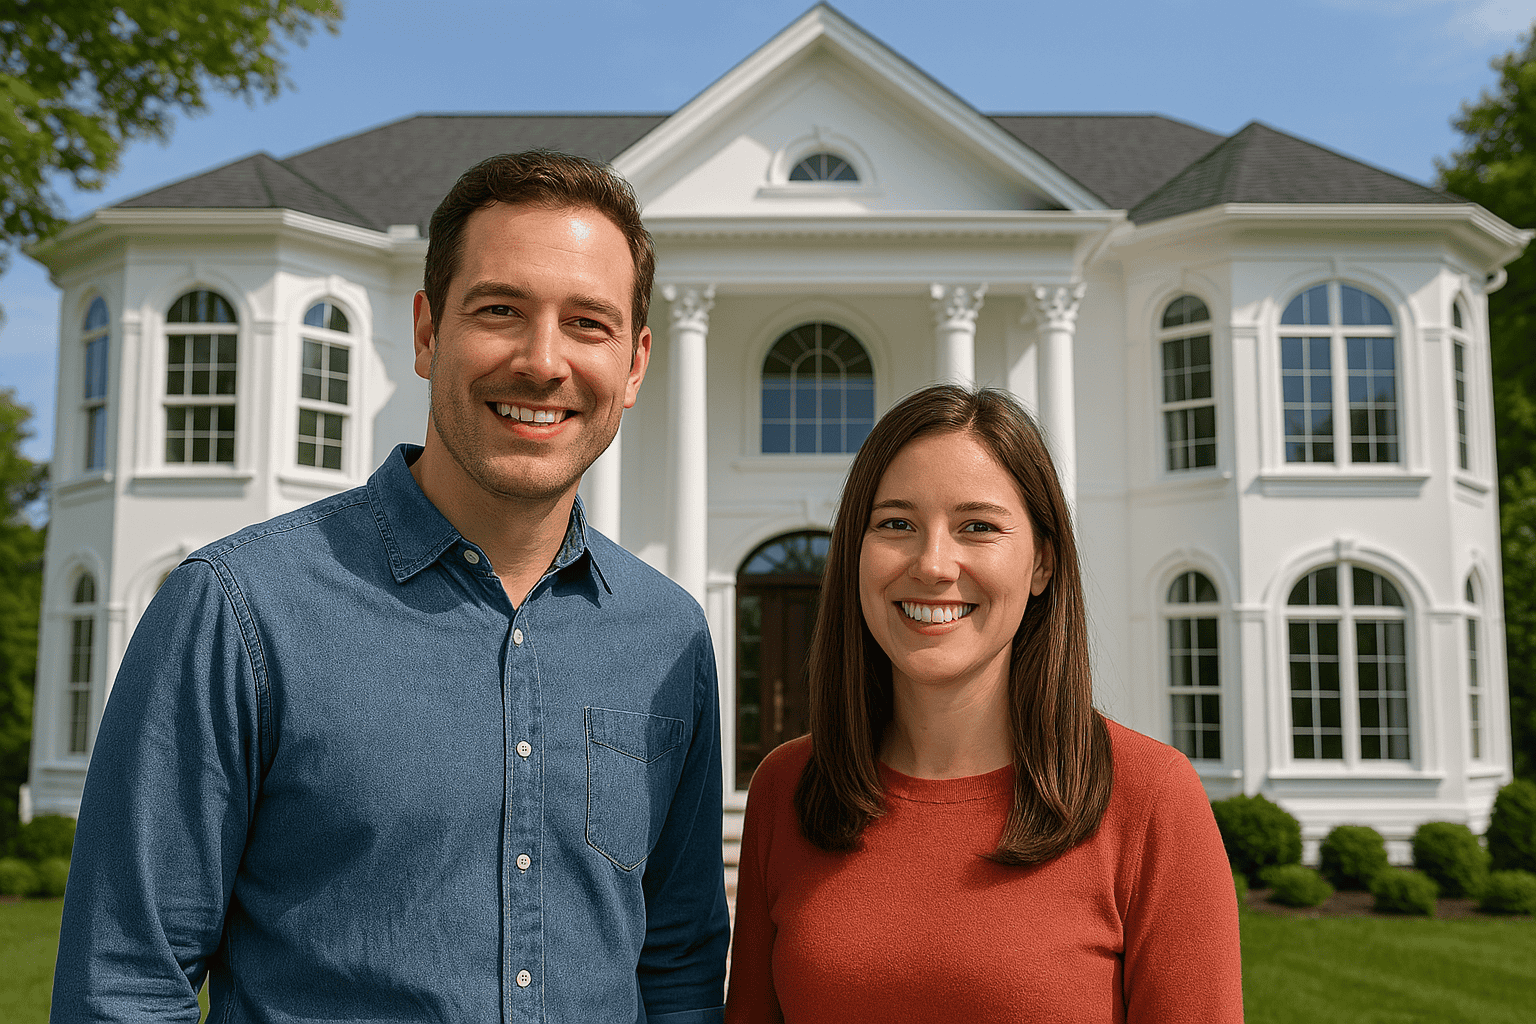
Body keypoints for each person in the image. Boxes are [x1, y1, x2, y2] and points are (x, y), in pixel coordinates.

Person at [52, 151, 730, 1023]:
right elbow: (124, 982)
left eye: (587, 324)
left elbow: (676, 969)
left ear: (634, 365)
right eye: (500, 311)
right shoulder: (239, 609)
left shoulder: (666, 635)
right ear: (425, 332)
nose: (542, 360)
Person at [725, 385, 1242, 1024]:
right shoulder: (789, 788)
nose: (934, 564)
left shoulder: (1149, 797)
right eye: (896, 525)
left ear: (1042, 564)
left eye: (978, 527)